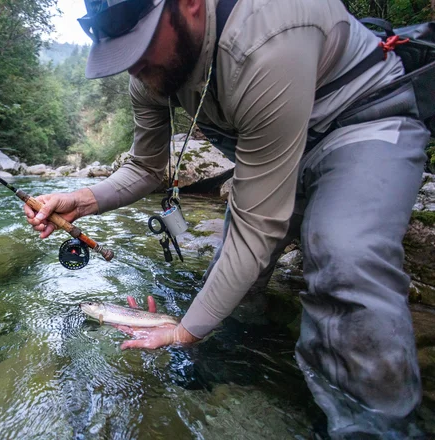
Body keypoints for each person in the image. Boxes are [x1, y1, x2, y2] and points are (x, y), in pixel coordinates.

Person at [23, 0, 431, 437]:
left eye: (139, 45)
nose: (135, 66)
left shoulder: (267, 35)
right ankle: (246, 363)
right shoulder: (147, 71)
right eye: (121, 53)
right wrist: (82, 200)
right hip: (272, 150)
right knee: (234, 284)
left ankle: (377, 424)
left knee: (344, 256)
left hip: (363, 122)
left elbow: (258, 227)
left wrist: (185, 334)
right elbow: (146, 168)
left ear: (190, 5)